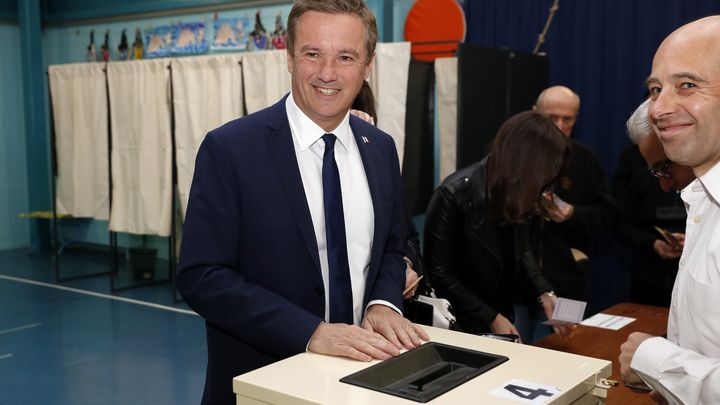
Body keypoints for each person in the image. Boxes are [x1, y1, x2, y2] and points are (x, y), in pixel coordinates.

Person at [177, 1, 428, 403]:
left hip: (365, 377)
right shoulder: (231, 149)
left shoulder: (380, 149)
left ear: (367, 67)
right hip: (266, 383)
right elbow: (201, 276)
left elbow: (392, 246)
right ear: (290, 58)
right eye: (312, 54)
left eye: (345, 57)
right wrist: (309, 332)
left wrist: (383, 302)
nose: (327, 73)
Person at [619, 15, 720, 405]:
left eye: (688, 85)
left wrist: (652, 360)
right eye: (655, 89)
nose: (659, 108)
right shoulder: (702, 204)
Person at [424, 111, 573, 341]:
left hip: (500, 309)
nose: (544, 182)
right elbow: (439, 273)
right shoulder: (454, 194)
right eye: (544, 172)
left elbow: (521, 250)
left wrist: (544, 291)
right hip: (457, 323)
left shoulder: (519, 191)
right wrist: (491, 317)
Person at [530, 86, 616, 302]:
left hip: (567, 281)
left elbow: (608, 215)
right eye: (552, 118)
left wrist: (573, 214)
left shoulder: (585, 160)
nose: (559, 126)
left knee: (568, 337)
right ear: (535, 114)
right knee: (516, 336)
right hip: (517, 283)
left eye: (567, 119)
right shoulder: (518, 155)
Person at [613, 99, 693, 306]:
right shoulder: (642, 179)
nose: (664, 185)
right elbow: (621, 222)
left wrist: (692, 241)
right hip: (649, 280)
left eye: (665, 167)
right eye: (655, 172)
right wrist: (651, 243)